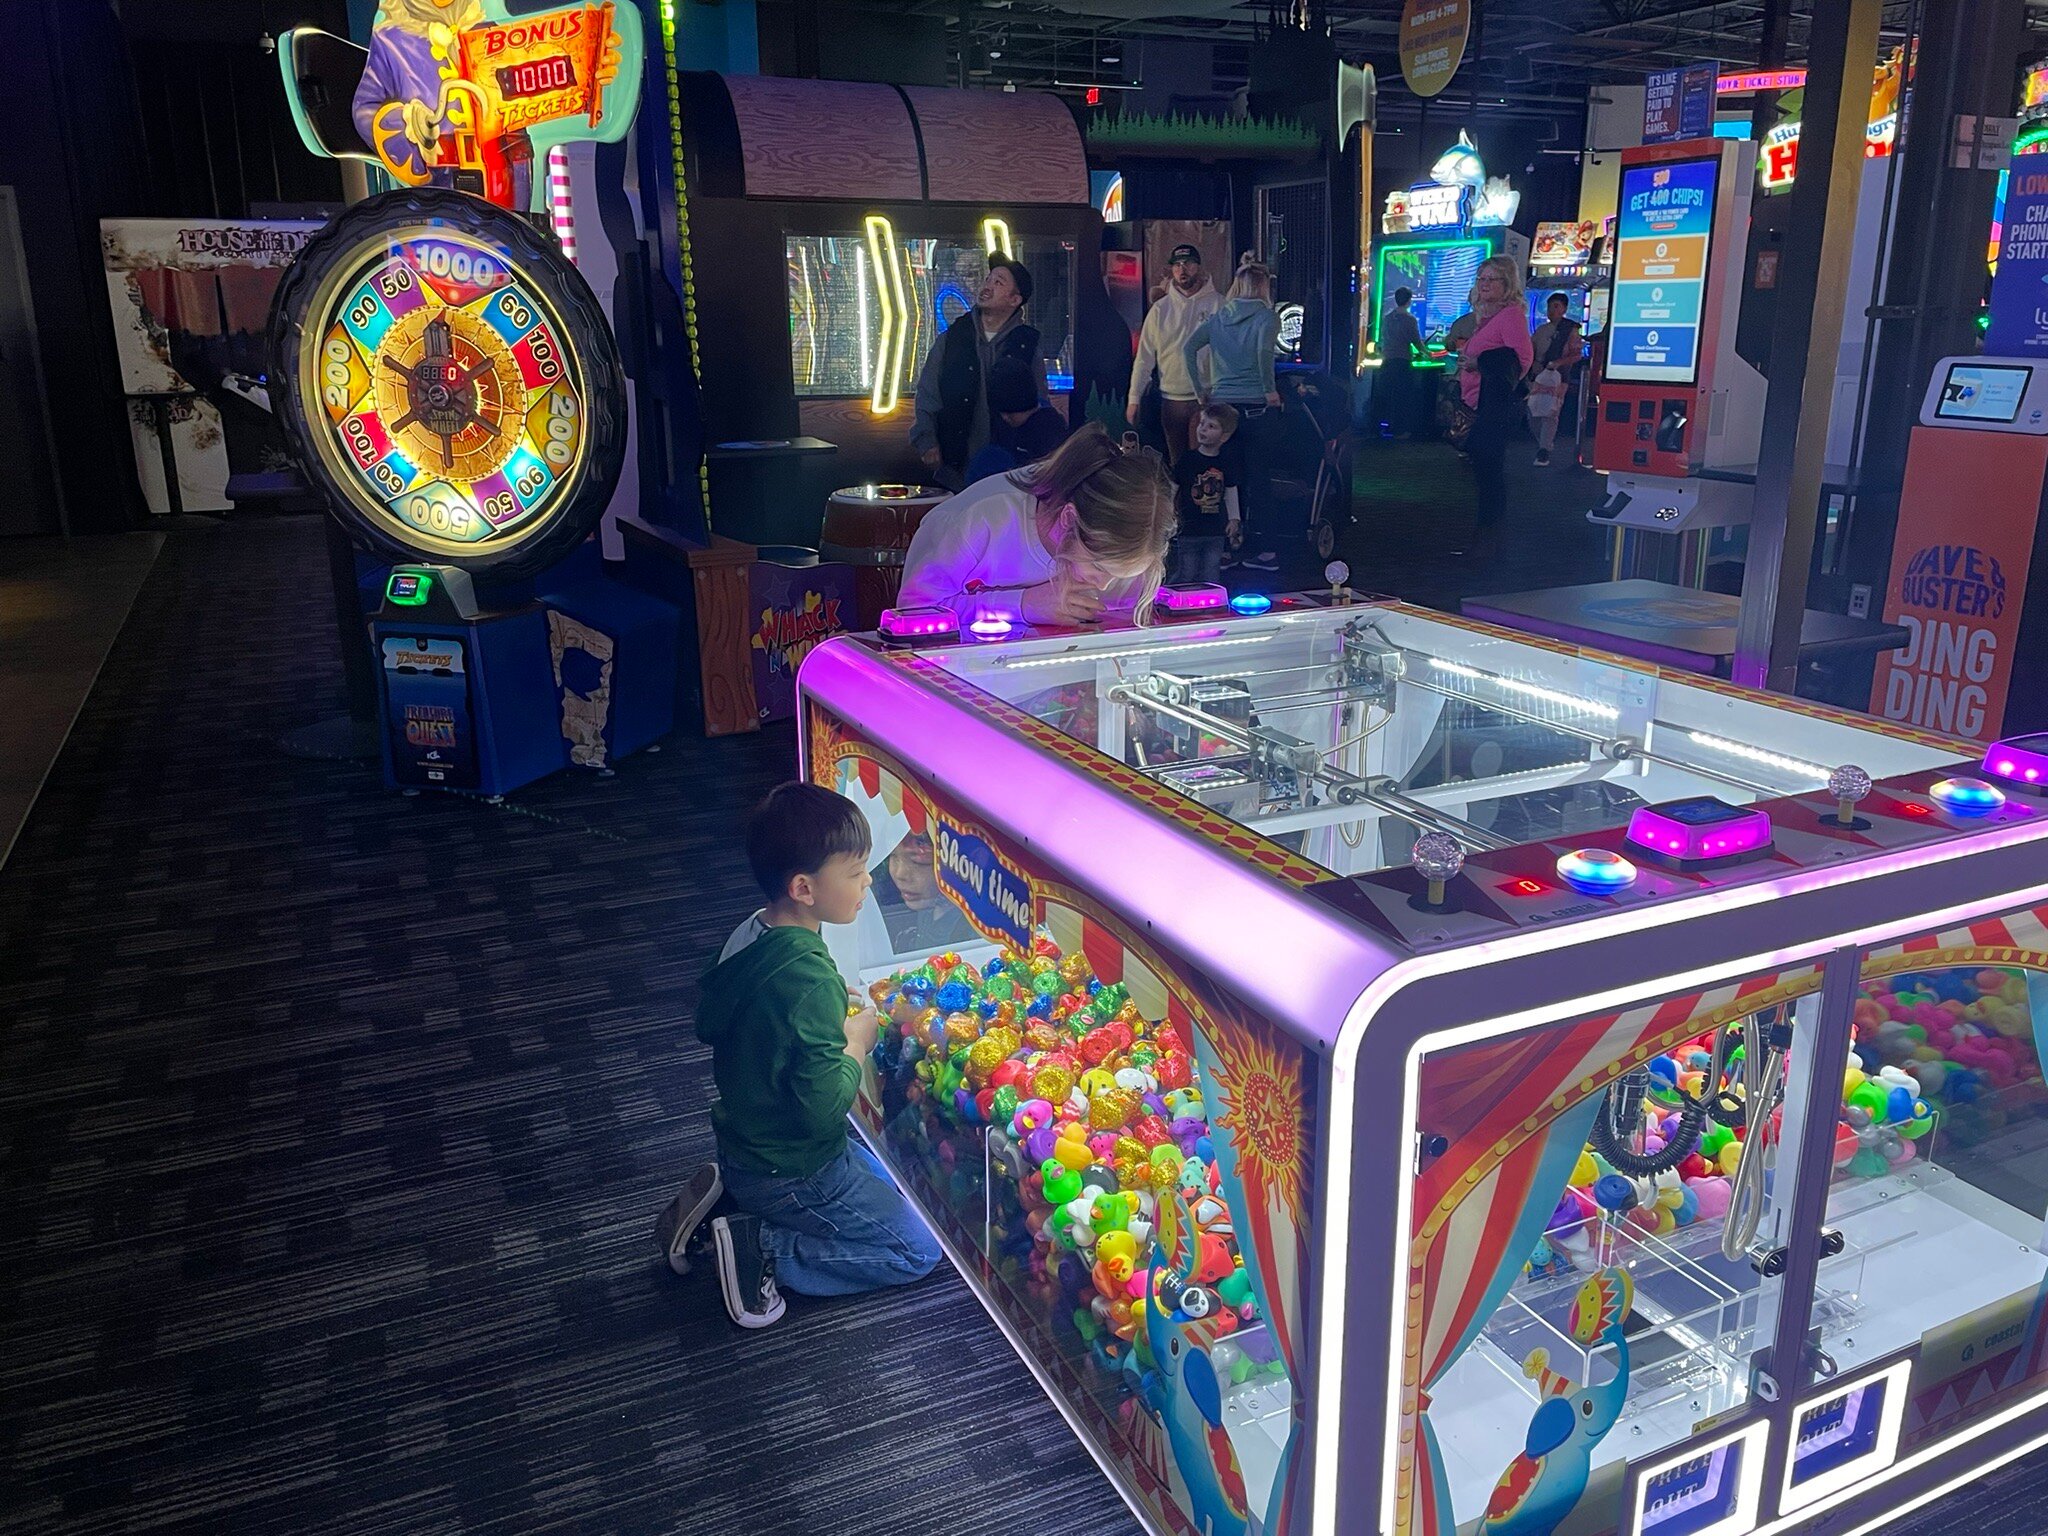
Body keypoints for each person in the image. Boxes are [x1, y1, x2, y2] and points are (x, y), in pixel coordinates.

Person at [661, 782, 943, 1329]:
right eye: (855, 872)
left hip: (748, 1141)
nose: (868, 881)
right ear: (804, 888)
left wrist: (821, 1017)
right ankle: (761, 1247)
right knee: (918, 1248)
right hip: (797, 1166)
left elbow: (750, 1021)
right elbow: (823, 1109)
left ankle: (732, 1200)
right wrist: (855, 1042)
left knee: (897, 1186)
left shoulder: (752, 932)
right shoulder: (808, 978)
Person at [898, 422, 1177, 628]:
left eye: (1119, 575)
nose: (1104, 586)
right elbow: (914, 613)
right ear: (1068, 519)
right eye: (1099, 568)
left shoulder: (1133, 540)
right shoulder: (986, 523)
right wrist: (1023, 605)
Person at [1183, 254, 1281, 570]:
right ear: (1263, 286)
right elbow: (1264, 353)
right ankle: (1264, 550)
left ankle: (1223, 548)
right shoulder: (1267, 317)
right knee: (1258, 479)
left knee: (1222, 478)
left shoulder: (1218, 318)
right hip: (1255, 407)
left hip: (1221, 407)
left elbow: (1188, 348)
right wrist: (1270, 390)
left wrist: (1200, 390)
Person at [910, 257, 1039, 490]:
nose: (987, 286)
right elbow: (928, 393)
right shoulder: (952, 339)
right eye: (988, 279)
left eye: (998, 282)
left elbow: (1039, 404)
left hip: (1011, 477)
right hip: (955, 473)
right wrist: (926, 441)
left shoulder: (1027, 345)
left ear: (1015, 300)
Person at [1457, 255, 1534, 559]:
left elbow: (1522, 360)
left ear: (1507, 283)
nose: (1485, 284)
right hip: (1481, 405)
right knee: (1484, 475)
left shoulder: (1511, 315)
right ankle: (1486, 541)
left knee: (1490, 476)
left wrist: (1478, 363)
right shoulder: (1490, 317)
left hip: (1493, 409)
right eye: (1481, 278)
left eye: (1492, 279)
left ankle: (1488, 544)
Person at [1126, 244, 1221, 468]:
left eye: (1187, 263)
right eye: (1177, 265)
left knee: (1205, 465)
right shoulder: (1160, 310)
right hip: (1172, 400)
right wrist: (1134, 399)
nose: (1182, 269)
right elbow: (1144, 358)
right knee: (1177, 464)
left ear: (1198, 267)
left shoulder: (1218, 304)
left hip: (1207, 399)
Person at [960, 357, 1071, 485]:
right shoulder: (1005, 428)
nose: (1004, 418)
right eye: (1001, 413)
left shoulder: (1049, 432)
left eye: (1009, 413)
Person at [1167, 403, 1242, 586]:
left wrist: (1234, 518)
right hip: (1189, 528)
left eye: (1211, 426)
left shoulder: (1226, 462)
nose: (1203, 429)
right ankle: (1169, 595)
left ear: (1224, 436)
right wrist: (1168, 512)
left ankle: (1208, 601)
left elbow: (1230, 490)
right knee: (1187, 572)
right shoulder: (1187, 459)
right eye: (1202, 424)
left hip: (1215, 530)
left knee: (1211, 573)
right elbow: (1173, 487)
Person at [870, 830, 974, 953]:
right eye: (893, 856)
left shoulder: (973, 926)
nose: (900, 874)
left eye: (918, 862)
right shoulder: (927, 902)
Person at [1526, 292, 1584, 467]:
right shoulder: (1541, 330)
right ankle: (1543, 443)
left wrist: (1558, 363)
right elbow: (1531, 349)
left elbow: (1576, 355)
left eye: (1556, 306)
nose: (1552, 310)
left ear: (1564, 309)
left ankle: (1544, 449)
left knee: (1550, 413)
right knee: (1533, 411)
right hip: (1538, 375)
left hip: (1558, 377)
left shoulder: (1570, 331)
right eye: (1550, 306)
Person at [1377, 286, 1423, 439]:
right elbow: (1417, 342)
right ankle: (1400, 431)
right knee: (1402, 398)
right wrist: (1428, 354)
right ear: (1409, 301)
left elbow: (1384, 339)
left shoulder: (1387, 318)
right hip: (1402, 362)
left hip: (1387, 361)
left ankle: (1386, 428)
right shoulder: (1410, 319)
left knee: (1389, 396)